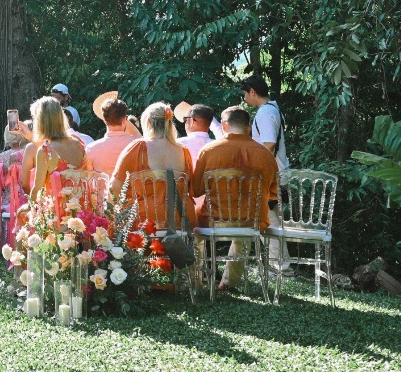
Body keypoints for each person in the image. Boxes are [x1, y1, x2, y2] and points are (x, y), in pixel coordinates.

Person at [190, 106, 279, 290]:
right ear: (248, 128)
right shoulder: (265, 154)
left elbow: (196, 190)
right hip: (251, 221)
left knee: (193, 228)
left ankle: (197, 279)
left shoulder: (209, 150)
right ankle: (228, 283)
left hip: (213, 219)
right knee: (245, 229)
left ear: (223, 125)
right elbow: (273, 192)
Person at [109, 102, 197, 225]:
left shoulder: (139, 148)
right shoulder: (184, 151)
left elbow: (114, 188)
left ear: (148, 123)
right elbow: (192, 189)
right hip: (181, 219)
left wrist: (114, 217)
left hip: (147, 221)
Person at [243, 74, 291, 274]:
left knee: (269, 220)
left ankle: (281, 266)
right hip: (276, 172)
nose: (245, 99)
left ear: (253, 92)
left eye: (245, 94)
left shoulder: (265, 113)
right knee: (268, 218)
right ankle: (278, 264)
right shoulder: (273, 109)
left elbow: (269, 143)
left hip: (270, 174)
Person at [20, 96, 88, 199]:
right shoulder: (78, 143)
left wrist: (28, 206)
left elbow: (37, 190)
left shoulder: (45, 150)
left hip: (57, 210)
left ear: (40, 122)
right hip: (82, 209)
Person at [85, 94, 141, 176]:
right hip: (131, 188)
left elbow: (88, 178)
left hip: (104, 189)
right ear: (125, 119)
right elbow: (140, 137)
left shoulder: (91, 149)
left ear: (104, 120)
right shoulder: (138, 144)